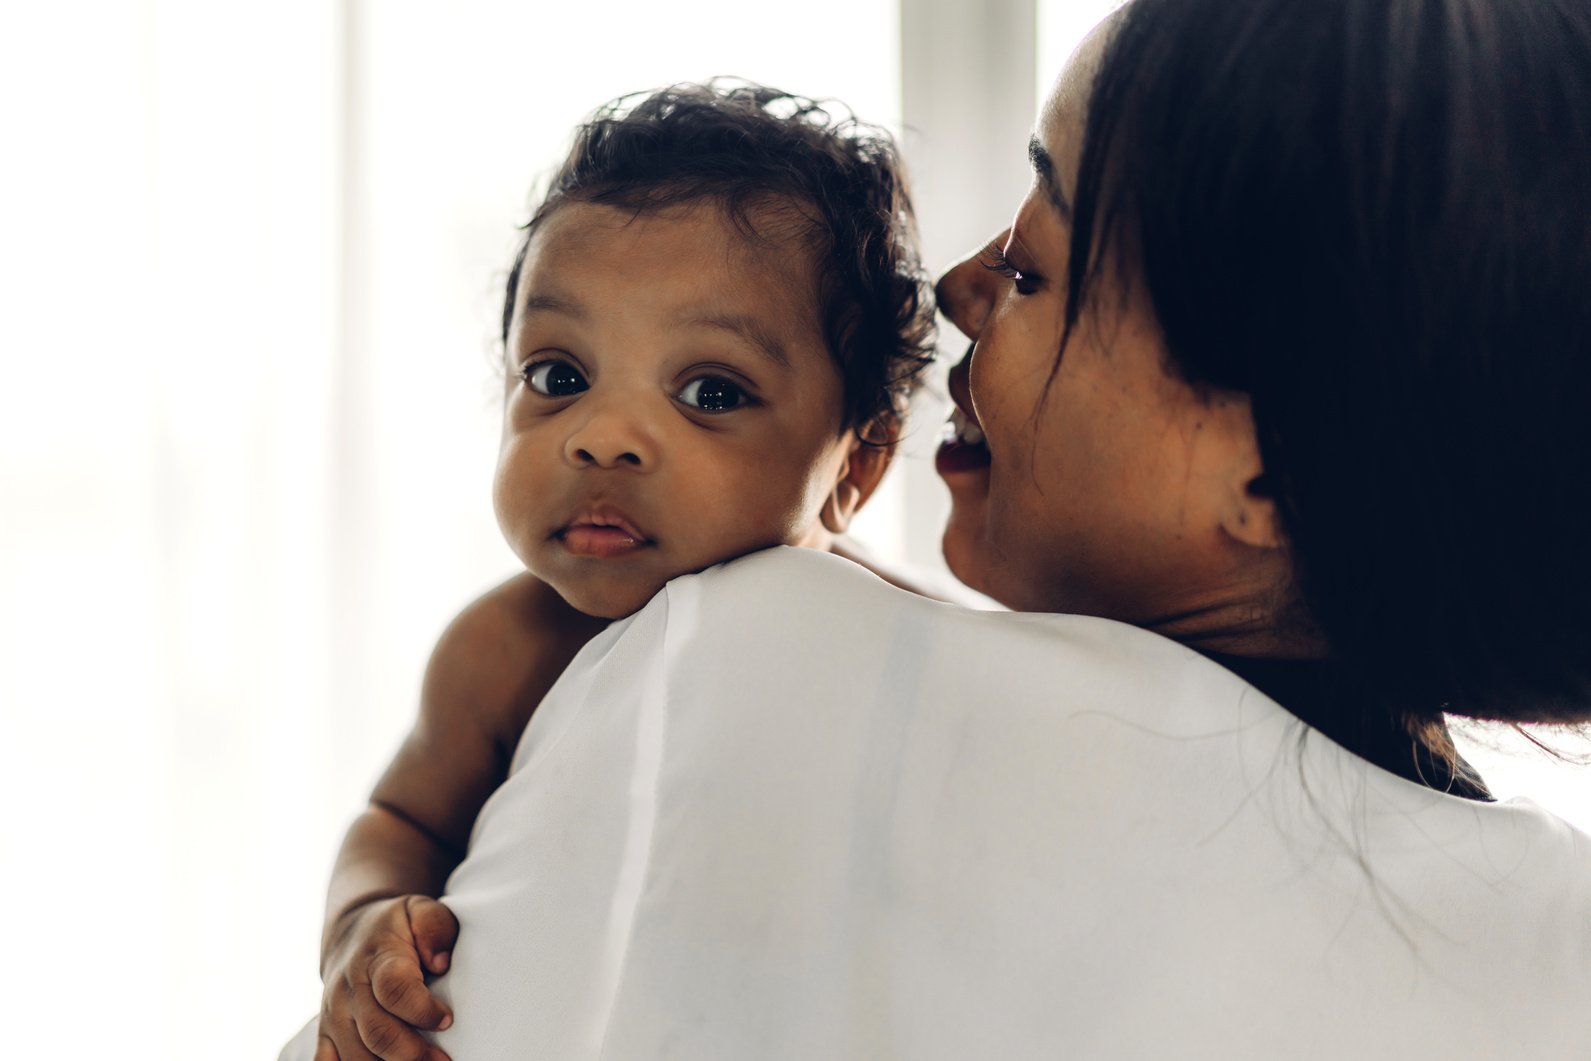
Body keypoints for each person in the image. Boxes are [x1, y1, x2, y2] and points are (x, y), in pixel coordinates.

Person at [305, 0, 1591, 1056]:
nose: (962, 285)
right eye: (557, 372)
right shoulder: (1541, 941)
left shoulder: (750, 653)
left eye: (1034, 265)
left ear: (1265, 471)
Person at [287, 81, 937, 1061]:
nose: (603, 437)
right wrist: (359, 929)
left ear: (855, 464)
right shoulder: (506, 646)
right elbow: (398, 817)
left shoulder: (900, 639)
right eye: (558, 377)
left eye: (709, 390)